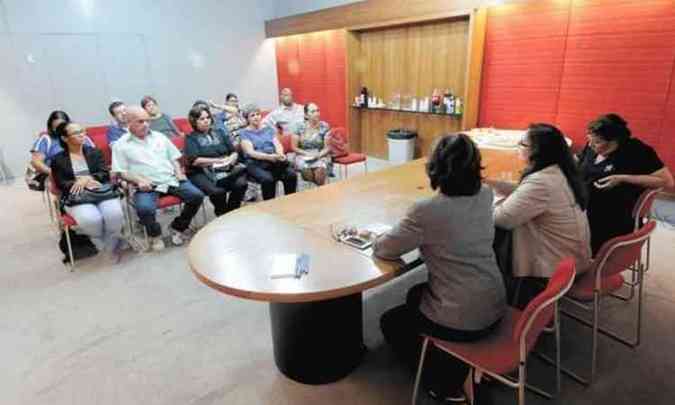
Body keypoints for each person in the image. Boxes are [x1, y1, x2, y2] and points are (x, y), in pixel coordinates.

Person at [375, 134, 506, 402]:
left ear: (434, 167)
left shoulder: (426, 210)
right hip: (495, 301)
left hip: (463, 319)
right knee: (414, 295)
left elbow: (385, 249)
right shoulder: (485, 194)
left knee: (390, 321)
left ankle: (441, 383)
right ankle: (451, 358)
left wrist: (380, 236)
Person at [488, 123, 591, 288]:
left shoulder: (541, 182)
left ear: (538, 151)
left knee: (497, 237)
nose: (518, 147)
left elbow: (502, 219)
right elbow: (524, 192)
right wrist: (492, 184)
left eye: (522, 144)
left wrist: (487, 199)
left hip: (554, 268)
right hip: (572, 258)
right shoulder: (558, 171)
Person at [111, 106, 204, 251]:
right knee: (145, 209)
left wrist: (178, 172)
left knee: (197, 196)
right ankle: (155, 235)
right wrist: (138, 180)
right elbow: (121, 172)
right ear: (129, 123)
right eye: (140, 122)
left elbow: (174, 158)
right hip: (146, 186)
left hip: (170, 179)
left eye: (147, 121)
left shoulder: (160, 137)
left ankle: (178, 226)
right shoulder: (120, 145)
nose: (146, 125)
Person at [578, 114, 674, 254]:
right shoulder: (592, 145)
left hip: (612, 215)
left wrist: (624, 178)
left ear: (615, 141)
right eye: (589, 140)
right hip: (584, 206)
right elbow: (580, 165)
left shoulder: (637, 151)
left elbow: (667, 181)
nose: (591, 145)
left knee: (564, 238)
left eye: (597, 142)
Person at [51, 122, 125, 260]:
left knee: (114, 214)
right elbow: (61, 183)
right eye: (76, 133)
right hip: (77, 196)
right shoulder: (58, 160)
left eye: (82, 131)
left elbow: (104, 173)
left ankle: (110, 245)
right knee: (91, 219)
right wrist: (78, 183)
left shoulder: (94, 152)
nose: (81, 134)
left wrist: (87, 178)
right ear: (64, 138)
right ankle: (102, 243)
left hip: (101, 191)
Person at [184, 105, 248, 216]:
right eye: (202, 119)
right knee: (218, 192)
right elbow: (195, 160)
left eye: (208, 118)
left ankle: (230, 213)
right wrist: (218, 161)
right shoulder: (191, 138)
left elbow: (233, 151)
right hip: (201, 172)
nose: (206, 121)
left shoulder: (219, 132)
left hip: (225, 168)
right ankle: (222, 213)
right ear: (194, 121)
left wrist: (232, 158)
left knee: (241, 184)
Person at [239, 103, 297, 200]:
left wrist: (280, 154)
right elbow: (251, 152)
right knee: (268, 179)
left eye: (257, 114)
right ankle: (270, 207)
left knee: (291, 174)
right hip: (255, 163)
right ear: (247, 118)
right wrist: (269, 157)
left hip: (273, 160)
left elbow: (277, 144)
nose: (256, 117)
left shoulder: (268, 129)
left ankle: (289, 202)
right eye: (252, 115)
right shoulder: (244, 133)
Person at [30, 110, 95, 177]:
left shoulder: (82, 137)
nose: (60, 131)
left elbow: (95, 157)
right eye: (56, 128)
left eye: (62, 127)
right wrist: (54, 174)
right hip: (55, 175)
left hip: (83, 173)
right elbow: (36, 162)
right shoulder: (46, 139)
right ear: (51, 127)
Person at [291, 102, 332, 186]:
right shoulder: (299, 127)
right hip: (303, 154)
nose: (316, 113)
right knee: (306, 169)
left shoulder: (325, 126)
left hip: (320, 154)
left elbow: (327, 148)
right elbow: (294, 147)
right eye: (313, 111)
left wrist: (318, 155)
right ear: (306, 115)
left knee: (320, 170)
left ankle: (317, 191)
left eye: (317, 110)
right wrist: (307, 154)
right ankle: (316, 189)